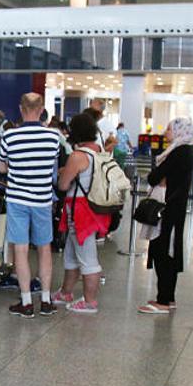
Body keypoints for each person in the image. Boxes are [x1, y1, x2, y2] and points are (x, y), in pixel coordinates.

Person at [0, 93, 64, 318]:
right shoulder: (53, 137)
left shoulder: (9, 136)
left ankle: (26, 302)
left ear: (21, 108)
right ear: (42, 109)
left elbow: (2, 168)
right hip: (43, 200)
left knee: (20, 249)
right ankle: (46, 300)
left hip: (17, 199)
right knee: (45, 248)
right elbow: (53, 165)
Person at [138, 118, 193, 315]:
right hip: (174, 208)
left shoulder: (178, 152)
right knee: (168, 251)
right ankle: (167, 297)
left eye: (170, 128)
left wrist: (159, 175)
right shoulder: (185, 151)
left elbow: (154, 177)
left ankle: (163, 300)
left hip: (167, 209)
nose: (165, 132)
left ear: (180, 131)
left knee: (163, 251)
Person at [55, 113, 110, 314]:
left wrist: (64, 172)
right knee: (72, 252)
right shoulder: (99, 152)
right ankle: (65, 292)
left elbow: (63, 185)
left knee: (87, 256)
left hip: (80, 210)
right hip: (94, 206)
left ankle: (90, 301)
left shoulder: (78, 156)